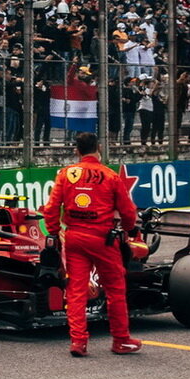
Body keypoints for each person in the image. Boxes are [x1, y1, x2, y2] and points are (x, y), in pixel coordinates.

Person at [42, 130, 141, 357]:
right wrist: (129, 229)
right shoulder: (110, 175)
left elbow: (51, 208)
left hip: (74, 237)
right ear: (99, 148)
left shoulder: (66, 174)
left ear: (77, 151)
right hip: (102, 239)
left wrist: (55, 233)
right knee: (116, 289)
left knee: (76, 291)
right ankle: (121, 340)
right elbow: (128, 211)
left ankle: (78, 342)